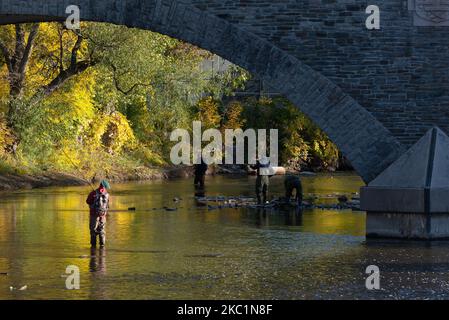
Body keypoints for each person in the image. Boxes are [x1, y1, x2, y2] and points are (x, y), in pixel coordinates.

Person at [86, 180, 111, 247]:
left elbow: (88, 202)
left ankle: (93, 247)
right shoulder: (107, 194)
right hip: (103, 216)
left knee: (93, 231)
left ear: (100, 185)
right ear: (105, 187)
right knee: (102, 231)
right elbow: (108, 205)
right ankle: (102, 247)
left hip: (94, 215)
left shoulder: (93, 193)